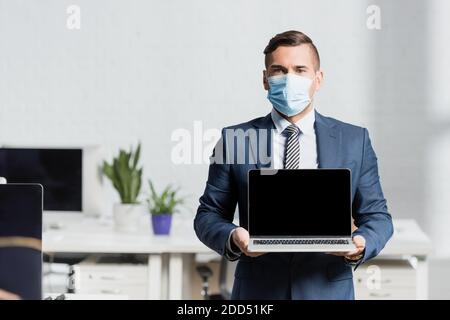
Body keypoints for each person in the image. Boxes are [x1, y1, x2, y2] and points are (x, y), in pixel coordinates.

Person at [194, 30, 393, 299]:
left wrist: (360, 243)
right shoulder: (235, 140)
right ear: (265, 80)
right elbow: (208, 215)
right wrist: (234, 237)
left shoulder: (354, 140)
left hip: (327, 289)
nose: (289, 79)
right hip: (258, 292)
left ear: (318, 79)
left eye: (300, 70)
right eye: (278, 70)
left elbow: (377, 217)